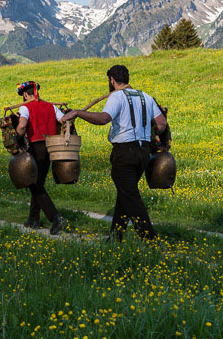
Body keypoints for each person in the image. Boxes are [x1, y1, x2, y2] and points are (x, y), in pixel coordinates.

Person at [62, 65, 167, 241]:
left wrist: (79, 113)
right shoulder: (145, 97)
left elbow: (104, 119)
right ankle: (115, 238)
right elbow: (161, 123)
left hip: (124, 152)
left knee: (131, 197)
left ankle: (151, 240)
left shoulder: (116, 96)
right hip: (143, 153)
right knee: (125, 194)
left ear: (112, 79)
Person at [14, 80, 67, 235]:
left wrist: (16, 138)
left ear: (25, 94)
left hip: (35, 148)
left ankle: (55, 217)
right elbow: (64, 120)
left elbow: (22, 125)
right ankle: (33, 219)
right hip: (51, 147)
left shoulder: (25, 107)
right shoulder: (52, 106)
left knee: (33, 184)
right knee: (39, 182)